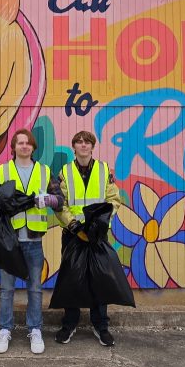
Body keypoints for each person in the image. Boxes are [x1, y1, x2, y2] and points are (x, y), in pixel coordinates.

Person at [0, 128, 63, 355]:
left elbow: (61, 199)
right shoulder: (3, 171)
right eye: (20, 143)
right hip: (8, 241)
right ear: (13, 147)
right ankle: (5, 329)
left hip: (33, 241)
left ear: (33, 147)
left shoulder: (44, 171)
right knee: (7, 289)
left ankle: (35, 329)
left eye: (28, 143)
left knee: (35, 288)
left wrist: (49, 199)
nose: (24, 146)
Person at [54, 130, 122, 347]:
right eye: (79, 142)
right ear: (74, 147)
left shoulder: (104, 170)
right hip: (73, 234)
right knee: (71, 280)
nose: (83, 145)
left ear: (93, 146)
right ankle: (69, 324)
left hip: (97, 234)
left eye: (87, 142)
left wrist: (99, 223)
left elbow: (114, 200)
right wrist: (73, 225)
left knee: (99, 280)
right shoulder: (64, 172)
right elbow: (59, 203)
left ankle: (101, 326)